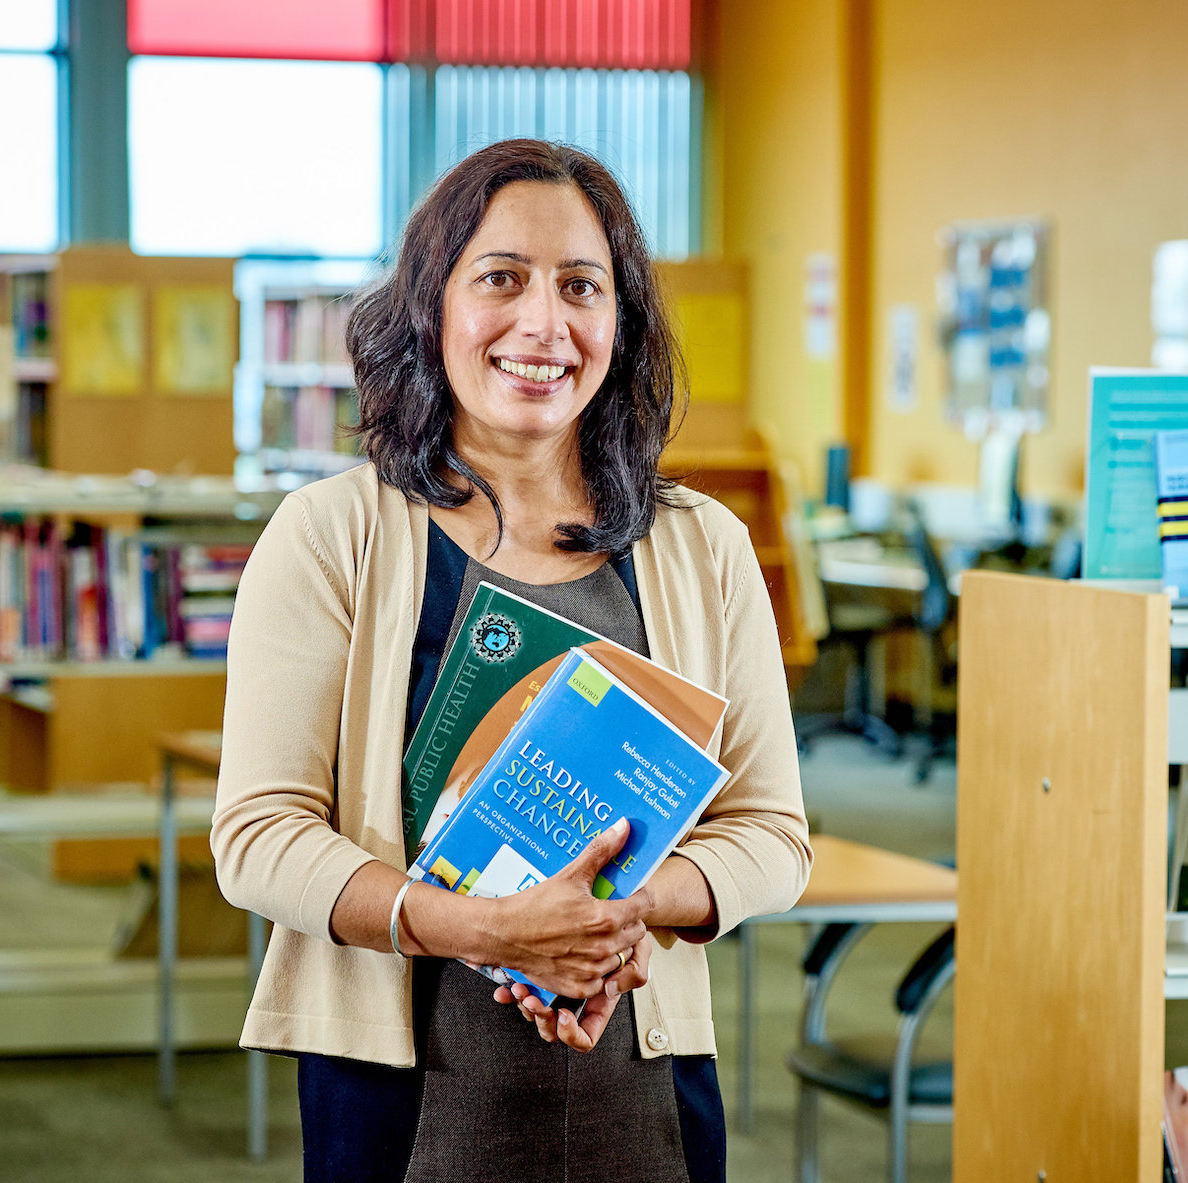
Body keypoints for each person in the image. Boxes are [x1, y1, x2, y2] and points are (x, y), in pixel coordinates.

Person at [211, 139, 812, 1183]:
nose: (543, 323)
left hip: (645, 1097)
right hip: (403, 1108)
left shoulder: (702, 544)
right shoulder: (328, 535)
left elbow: (773, 835)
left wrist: (626, 910)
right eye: (500, 279)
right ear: (430, 307)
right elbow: (256, 837)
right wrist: (485, 926)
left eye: (581, 286)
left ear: (618, 324)